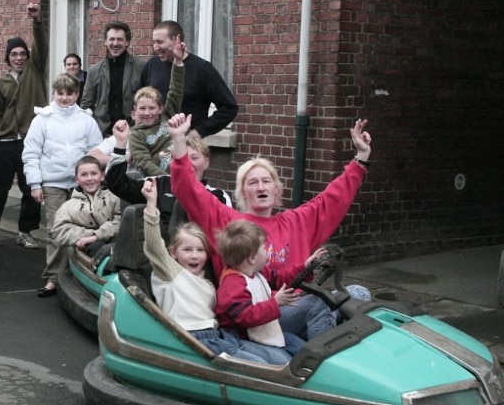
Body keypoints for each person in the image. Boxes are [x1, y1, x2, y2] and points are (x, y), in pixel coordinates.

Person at [168, 113, 373, 336]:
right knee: (318, 303)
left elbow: (333, 199)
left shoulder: (296, 221)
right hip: (262, 316)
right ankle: (322, 359)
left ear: (276, 190)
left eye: (266, 181)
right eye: (252, 183)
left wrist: (361, 158)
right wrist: (179, 141)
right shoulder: (228, 222)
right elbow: (187, 189)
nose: (260, 187)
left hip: (302, 305)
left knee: (358, 293)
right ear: (243, 192)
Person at [140, 179, 280, 364]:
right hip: (191, 339)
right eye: (187, 250)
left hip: (219, 335)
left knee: (276, 359)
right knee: (259, 366)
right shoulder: (170, 273)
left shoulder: (208, 283)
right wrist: (151, 204)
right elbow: (154, 245)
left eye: (200, 250)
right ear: (173, 253)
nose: (194, 256)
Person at [0, 3, 48, 250]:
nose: (19, 58)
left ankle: (26, 232)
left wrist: (37, 21)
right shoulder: (2, 81)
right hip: (4, 142)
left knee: (30, 187)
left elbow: (41, 45)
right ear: (8, 58)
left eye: (22, 54)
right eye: (14, 54)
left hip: (29, 141)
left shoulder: (35, 71)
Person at [23, 73, 103, 296]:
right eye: (61, 93)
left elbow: (96, 151)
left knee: (85, 228)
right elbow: (31, 153)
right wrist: (35, 184)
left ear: (77, 94)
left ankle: (80, 275)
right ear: (54, 93)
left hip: (82, 185)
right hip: (53, 182)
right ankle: (54, 278)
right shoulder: (42, 120)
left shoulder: (87, 120)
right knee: (57, 229)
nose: (65, 98)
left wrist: (93, 178)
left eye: (70, 93)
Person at [215, 220, 333, 362]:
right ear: (252, 257)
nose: (268, 251)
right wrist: (275, 303)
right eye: (264, 248)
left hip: (265, 329)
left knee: (302, 348)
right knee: (283, 362)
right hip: (243, 338)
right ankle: (323, 358)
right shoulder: (232, 284)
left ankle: (321, 359)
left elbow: (280, 278)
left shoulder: (257, 272)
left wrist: (306, 267)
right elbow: (245, 316)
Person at [106, 119, 233, 242]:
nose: (188, 164)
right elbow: (119, 184)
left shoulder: (219, 196)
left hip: (196, 255)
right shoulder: (158, 184)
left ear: (206, 162)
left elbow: (226, 234)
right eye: (182, 158)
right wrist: (121, 143)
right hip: (156, 252)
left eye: (194, 158)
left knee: (182, 205)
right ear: (173, 160)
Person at [140, 20, 237, 139]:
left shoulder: (202, 69)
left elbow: (229, 107)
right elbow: (139, 100)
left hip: (187, 146)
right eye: (154, 42)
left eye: (160, 42)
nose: (156, 47)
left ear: (177, 39)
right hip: (155, 145)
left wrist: (198, 132)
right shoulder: (152, 65)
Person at [128, 35, 186, 176]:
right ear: (134, 111)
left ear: (160, 109)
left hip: (184, 171)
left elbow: (176, 91)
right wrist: (166, 180)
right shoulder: (136, 135)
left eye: (152, 108)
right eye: (142, 108)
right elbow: (145, 163)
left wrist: (178, 61)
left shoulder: (166, 116)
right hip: (164, 182)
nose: (147, 112)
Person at [81, 21, 146, 136]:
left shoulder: (141, 67)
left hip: (134, 133)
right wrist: (96, 127)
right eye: (111, 39)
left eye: (120, 39)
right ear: (105, 42)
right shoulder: (94, 71)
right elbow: (86, 106)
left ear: (127, 42)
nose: (115, 43)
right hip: (103, 134)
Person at [51, 155, 121, 262]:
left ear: (102, 176)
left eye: (94, 173)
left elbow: (121, 221)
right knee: (97, 246)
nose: (89, 178)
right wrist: (89, 235)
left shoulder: (115, 197)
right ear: (77, 179)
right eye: (84, 175)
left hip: (116, 242)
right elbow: (59, 230)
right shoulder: (68, 206)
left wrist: (96, 235)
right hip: (90, 247)